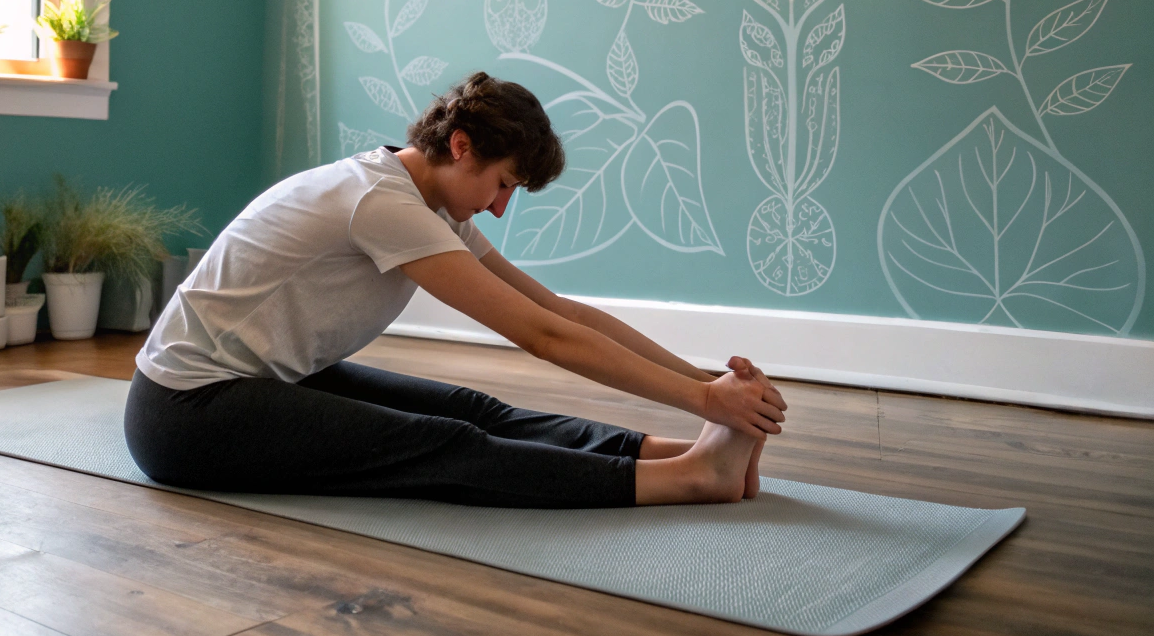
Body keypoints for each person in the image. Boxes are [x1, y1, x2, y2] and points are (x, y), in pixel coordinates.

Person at [125, 72, 787, 508]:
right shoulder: (378, 202)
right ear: (461, 146)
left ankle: (679, 450)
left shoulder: (426, 203)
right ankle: (693, 476)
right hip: (186, 414)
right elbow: (542, 337)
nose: (500, 207)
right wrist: (706, 398)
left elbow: (552, 307)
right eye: (502, 183)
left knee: (477, 411)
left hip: (264, 381)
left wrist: (705, 387)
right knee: (444, 445)